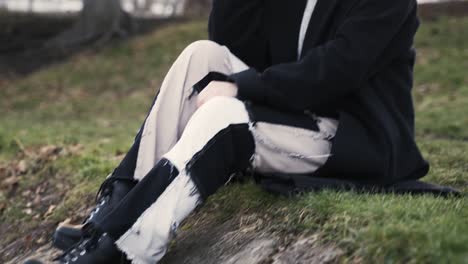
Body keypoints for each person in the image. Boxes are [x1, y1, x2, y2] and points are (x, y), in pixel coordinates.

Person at [29, 0, 433, 263]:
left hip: (351, 138)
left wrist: (242, 88)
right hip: (291, 115)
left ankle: (122, 248)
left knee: (223, 114)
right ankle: (117, 207)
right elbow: (229, 41)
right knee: (200, 56)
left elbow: (335, 71)